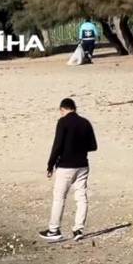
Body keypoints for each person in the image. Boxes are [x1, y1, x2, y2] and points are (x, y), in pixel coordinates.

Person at [40, 98, 98, 242]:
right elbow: (93, 146)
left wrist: (50, 165)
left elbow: (57, 145)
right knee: (81, 197)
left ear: (62, 109)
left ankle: (54, 230)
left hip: (66, 166)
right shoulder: (85, 122)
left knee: (59, 198)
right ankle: (78, 229)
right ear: (74, 108)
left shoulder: (63, 122)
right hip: (83, 165)